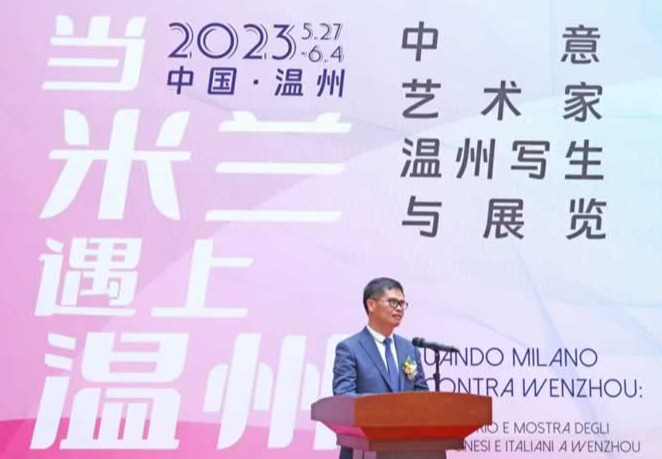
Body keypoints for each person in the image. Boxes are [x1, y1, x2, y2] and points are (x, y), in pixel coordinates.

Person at [332, 277, 429, 459]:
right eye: (393, 302)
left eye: (402, 304)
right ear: (371, 305)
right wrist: (387, 407)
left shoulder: (409, 349)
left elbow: (421, 393)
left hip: (407, 448)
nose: (399, 308)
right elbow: (344, 397)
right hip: (364, 448)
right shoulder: (349, 348)